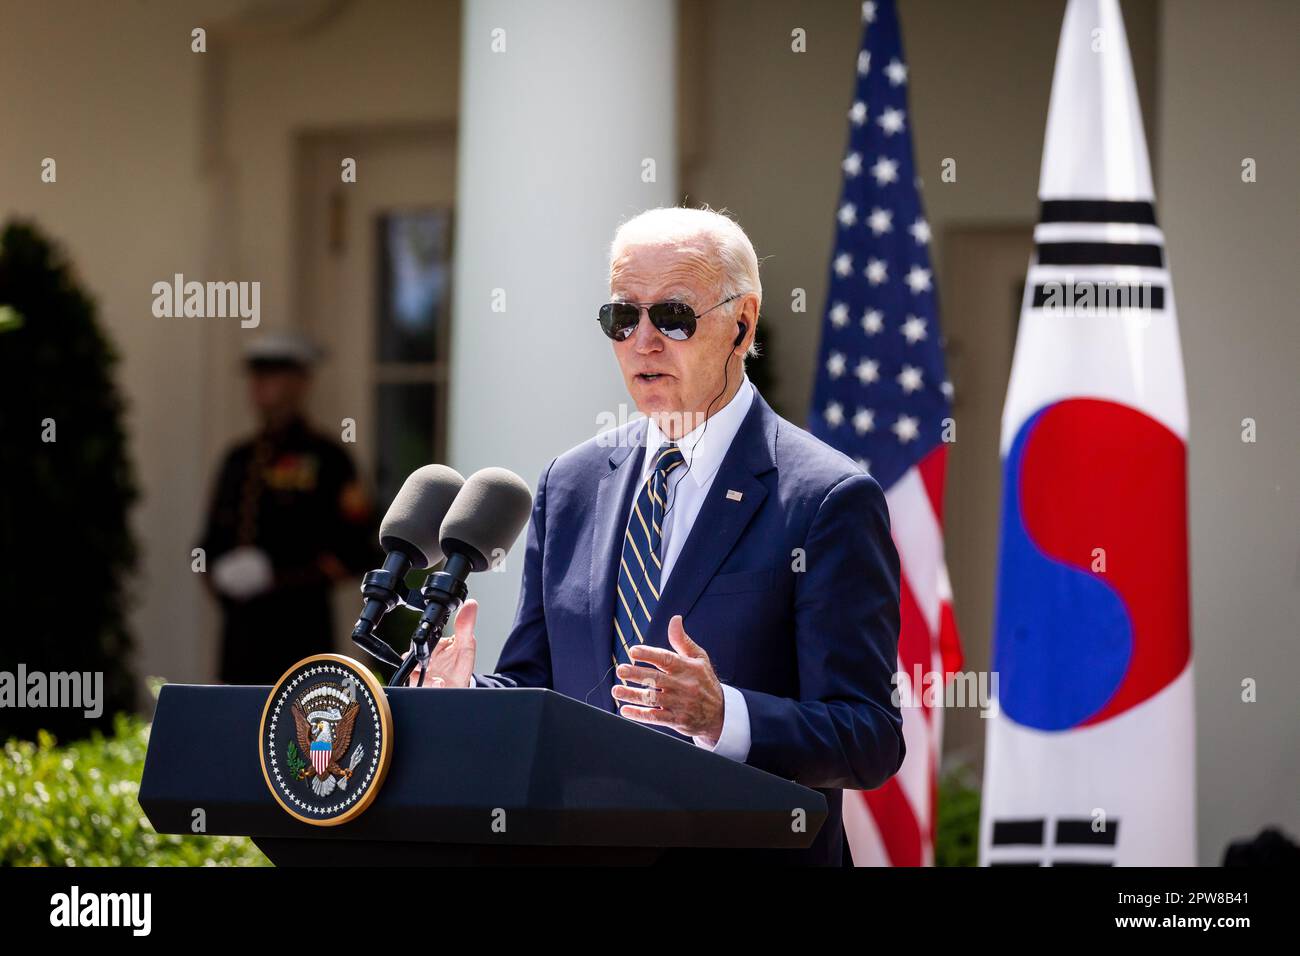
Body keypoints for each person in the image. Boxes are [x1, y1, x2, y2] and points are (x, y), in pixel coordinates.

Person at [412, 207, 903, 865]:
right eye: (622, 318)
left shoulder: (825, 499)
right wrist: (466, 696)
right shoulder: (572, 483)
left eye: (672, 315)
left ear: (742, 322)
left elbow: (868, 738)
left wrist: (721, 715)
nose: (643, 341)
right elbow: (543, 693)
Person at [198, 332, 375, 684]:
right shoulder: (238, 458)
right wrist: (219, 574)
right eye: (256, 375)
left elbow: (358, 549)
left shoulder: (328, 458)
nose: (260, 384)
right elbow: (210, 538)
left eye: (273, 374)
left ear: (301, 382)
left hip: (301, 630)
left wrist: (279, 578)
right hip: (241, 636)